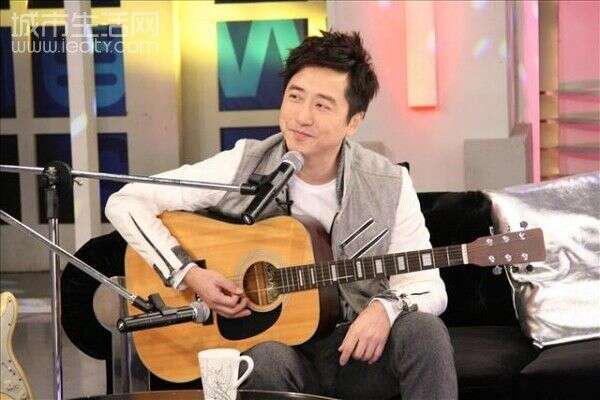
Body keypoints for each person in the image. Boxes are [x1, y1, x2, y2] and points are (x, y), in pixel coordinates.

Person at [106, 30, 457, 399]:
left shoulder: (389, 183)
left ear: (353, 122)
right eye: (295, 96)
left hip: (359, 353)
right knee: (265, 360)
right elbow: (126, 202)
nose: (302, 117)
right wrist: (189, 273)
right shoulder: (244, 165)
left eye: (322, 106)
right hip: (283, 355)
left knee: (425, 331)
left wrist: (384, 310)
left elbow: (429, 285)